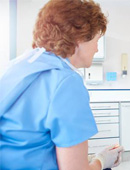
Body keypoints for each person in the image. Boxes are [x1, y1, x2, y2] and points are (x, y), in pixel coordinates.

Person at [0, 0, 123, 169]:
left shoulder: (17, 66)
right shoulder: (66, 81)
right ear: (79, 39)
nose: (96, 49)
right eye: (96, 40)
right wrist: (102, 160)